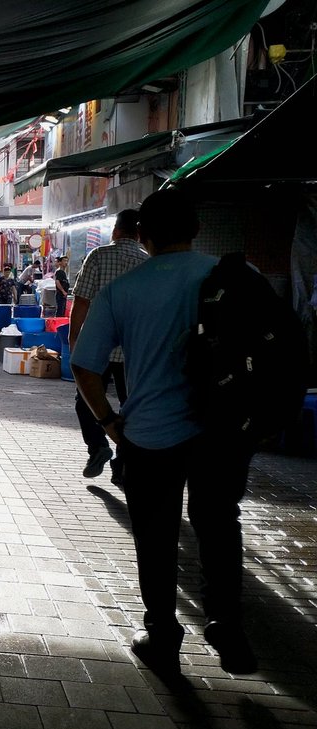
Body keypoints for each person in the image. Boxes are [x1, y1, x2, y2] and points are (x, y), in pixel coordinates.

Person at [73, 188, 257, 676]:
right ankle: (227, 626)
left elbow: (85, 365)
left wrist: (110, 422)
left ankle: (163, 636)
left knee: (155, 537)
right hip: (223, 431)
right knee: (219, 523)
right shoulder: (237, 277)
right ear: (196, 229)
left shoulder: (124, 290)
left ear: (144, 236)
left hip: (150, 434)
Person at [68, 209, 146, 484]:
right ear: (139, 234)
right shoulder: (147, 261)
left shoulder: (98, 255)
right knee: (132, 407)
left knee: (85, 401)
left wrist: (74, 339)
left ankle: (98, 446)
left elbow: (82, 301)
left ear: (115, 230)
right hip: (133, 351)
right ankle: (123, 464)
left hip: (97, 347)